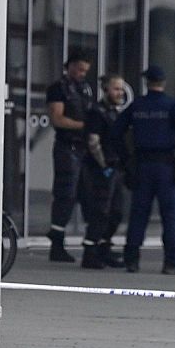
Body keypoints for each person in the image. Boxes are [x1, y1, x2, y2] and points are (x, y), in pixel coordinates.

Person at [111, 65, 175, 274]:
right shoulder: (172, 106)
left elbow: (116, 132)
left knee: (138, 214)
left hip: (142, 165)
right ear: (163, 83)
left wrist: (126, 159)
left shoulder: (137, 105)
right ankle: (171, 261)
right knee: (170, 214)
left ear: (147, 83)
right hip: (166, 166)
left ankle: (131, 259)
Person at [45, 54, 95, 262]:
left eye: (85, 70)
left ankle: (92, 245)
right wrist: (84, 126)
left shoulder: (85, 88)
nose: (82, 74)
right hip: (68, 147)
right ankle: (56, 243)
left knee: (88, 194)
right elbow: (57, 118)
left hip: (84, 148)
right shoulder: (59, 88)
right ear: (70, 66)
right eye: (79, 69)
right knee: (65, 194)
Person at [80, 73, 129, 269]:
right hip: (101, 169)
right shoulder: (97, 112)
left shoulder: (114, 112)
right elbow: (93, 142)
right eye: (116, 88)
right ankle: (90, 251)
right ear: (106, 89)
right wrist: (104, 166)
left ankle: (103, 246)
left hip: (114, 168)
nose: (120, 92)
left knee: (116, 212)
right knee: (100, 211)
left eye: (121, 89)